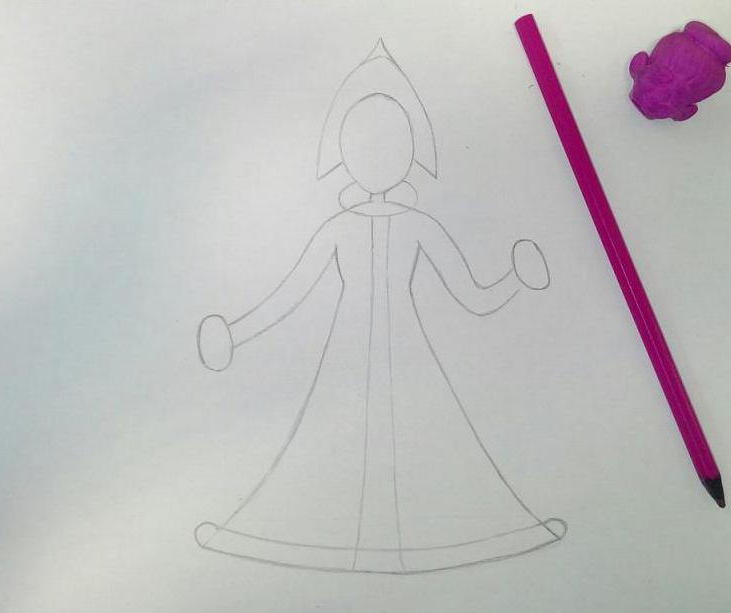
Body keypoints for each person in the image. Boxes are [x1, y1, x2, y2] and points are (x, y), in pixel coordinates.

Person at [195, 40, 564, 574]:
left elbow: (473, 296)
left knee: (426, 439)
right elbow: (292, 294)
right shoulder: (345, 228)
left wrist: (516, 279)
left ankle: (440, 533)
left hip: (407, 355)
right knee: (331, 441)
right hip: (349, 356)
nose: (377, 159)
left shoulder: (416, 226)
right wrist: (236, 332)